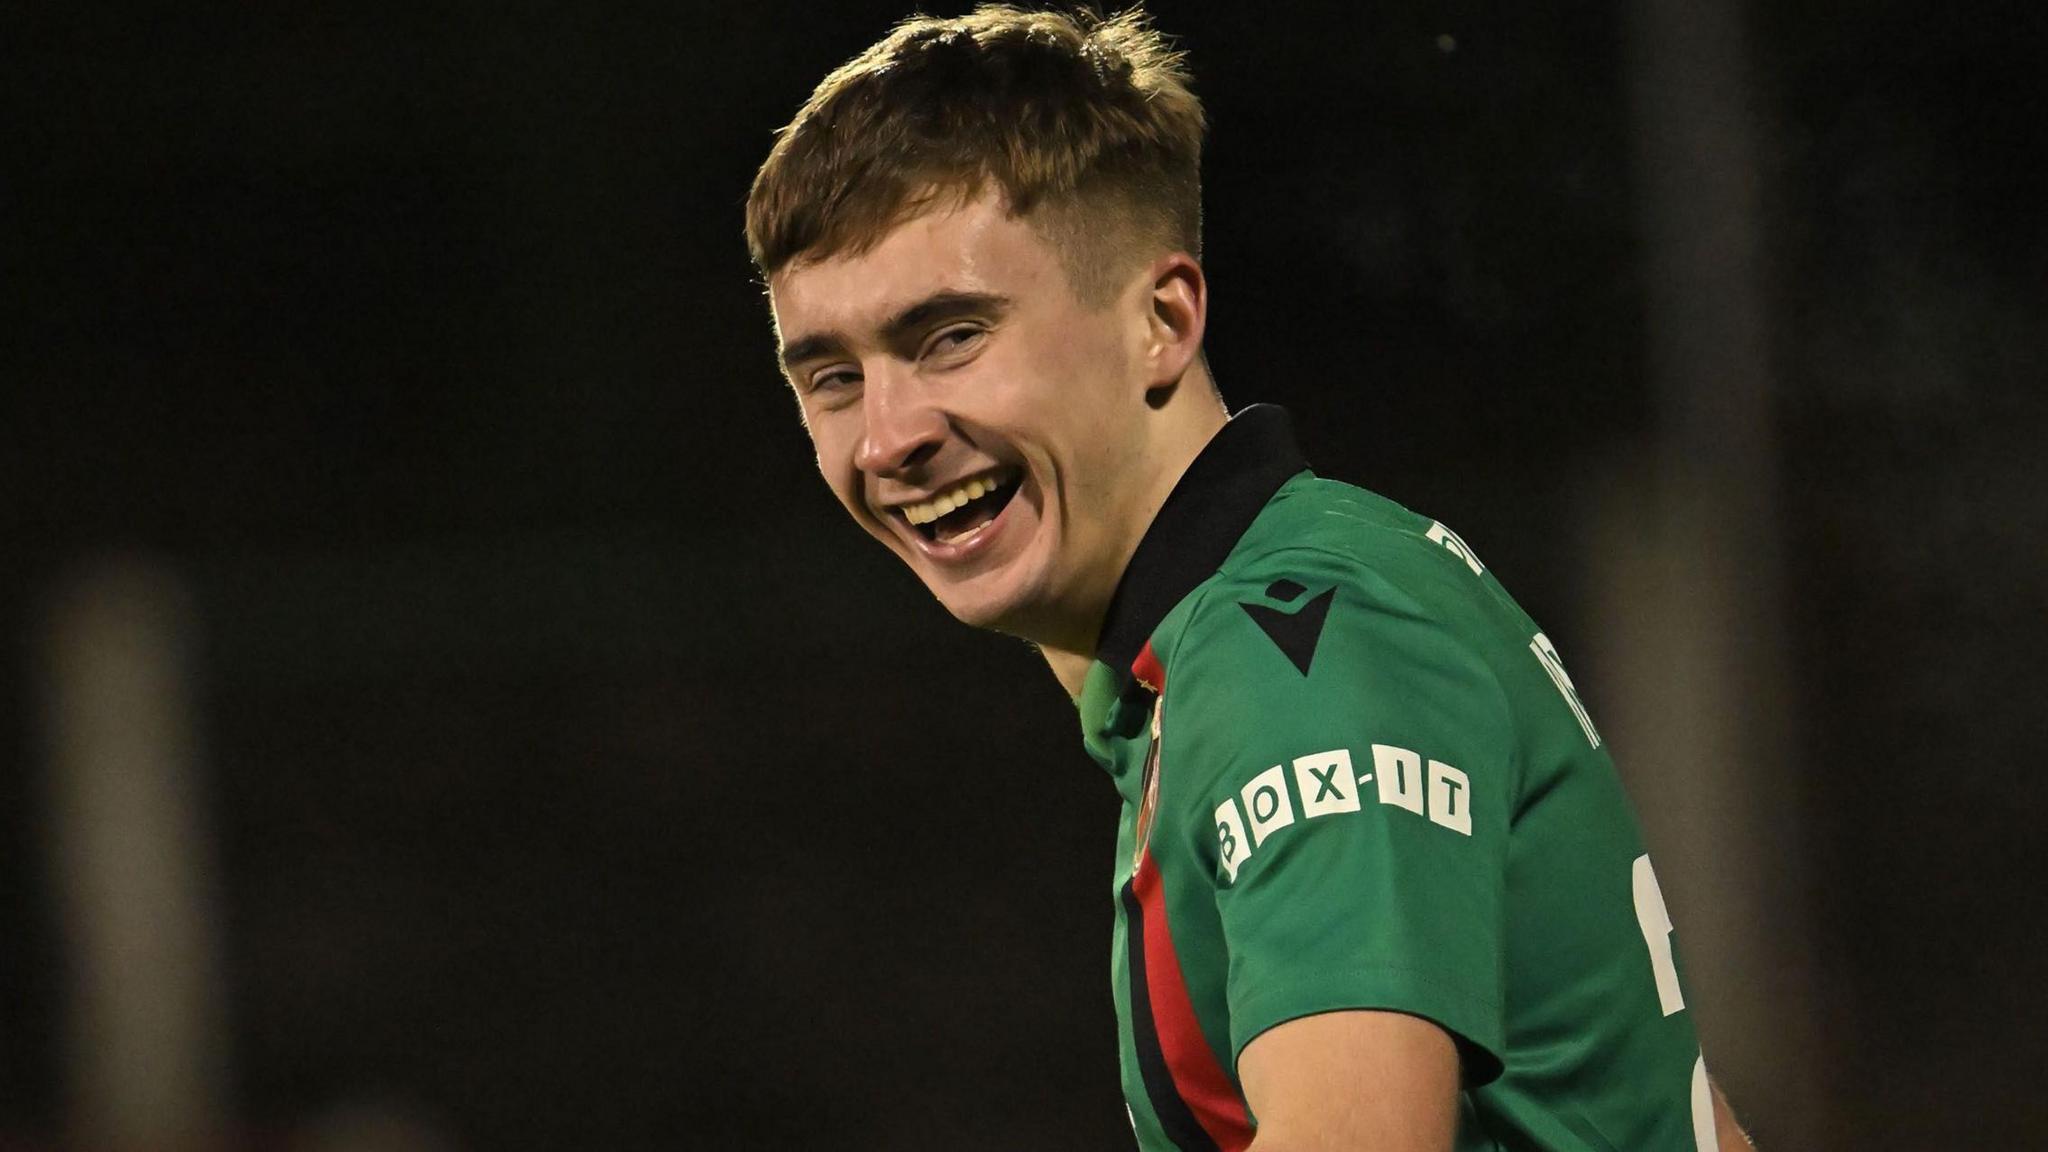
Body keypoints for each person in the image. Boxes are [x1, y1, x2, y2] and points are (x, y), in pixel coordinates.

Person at [745, 6, 1753, 1149]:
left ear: (1161, 321)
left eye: (949, 337)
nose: (885, 438)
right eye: (829, 376)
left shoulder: (1297, 644)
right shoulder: (1257, 629)